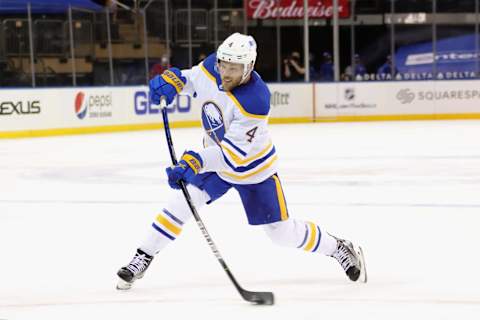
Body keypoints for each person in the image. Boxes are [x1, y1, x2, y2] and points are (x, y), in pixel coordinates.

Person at [116, 33, 367, 290]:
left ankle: (337, 247)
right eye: (223, 65)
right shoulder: (215, 65)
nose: (225, 73)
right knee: (181, 202)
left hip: (252, 169)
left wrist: (193, 162)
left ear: (248, 68)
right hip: (213, 163)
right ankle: (143, 255)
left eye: (233, 69)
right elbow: (194, 79)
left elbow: (230, 156)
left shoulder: (255, 100)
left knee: (281, 234)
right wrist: (176, 80)